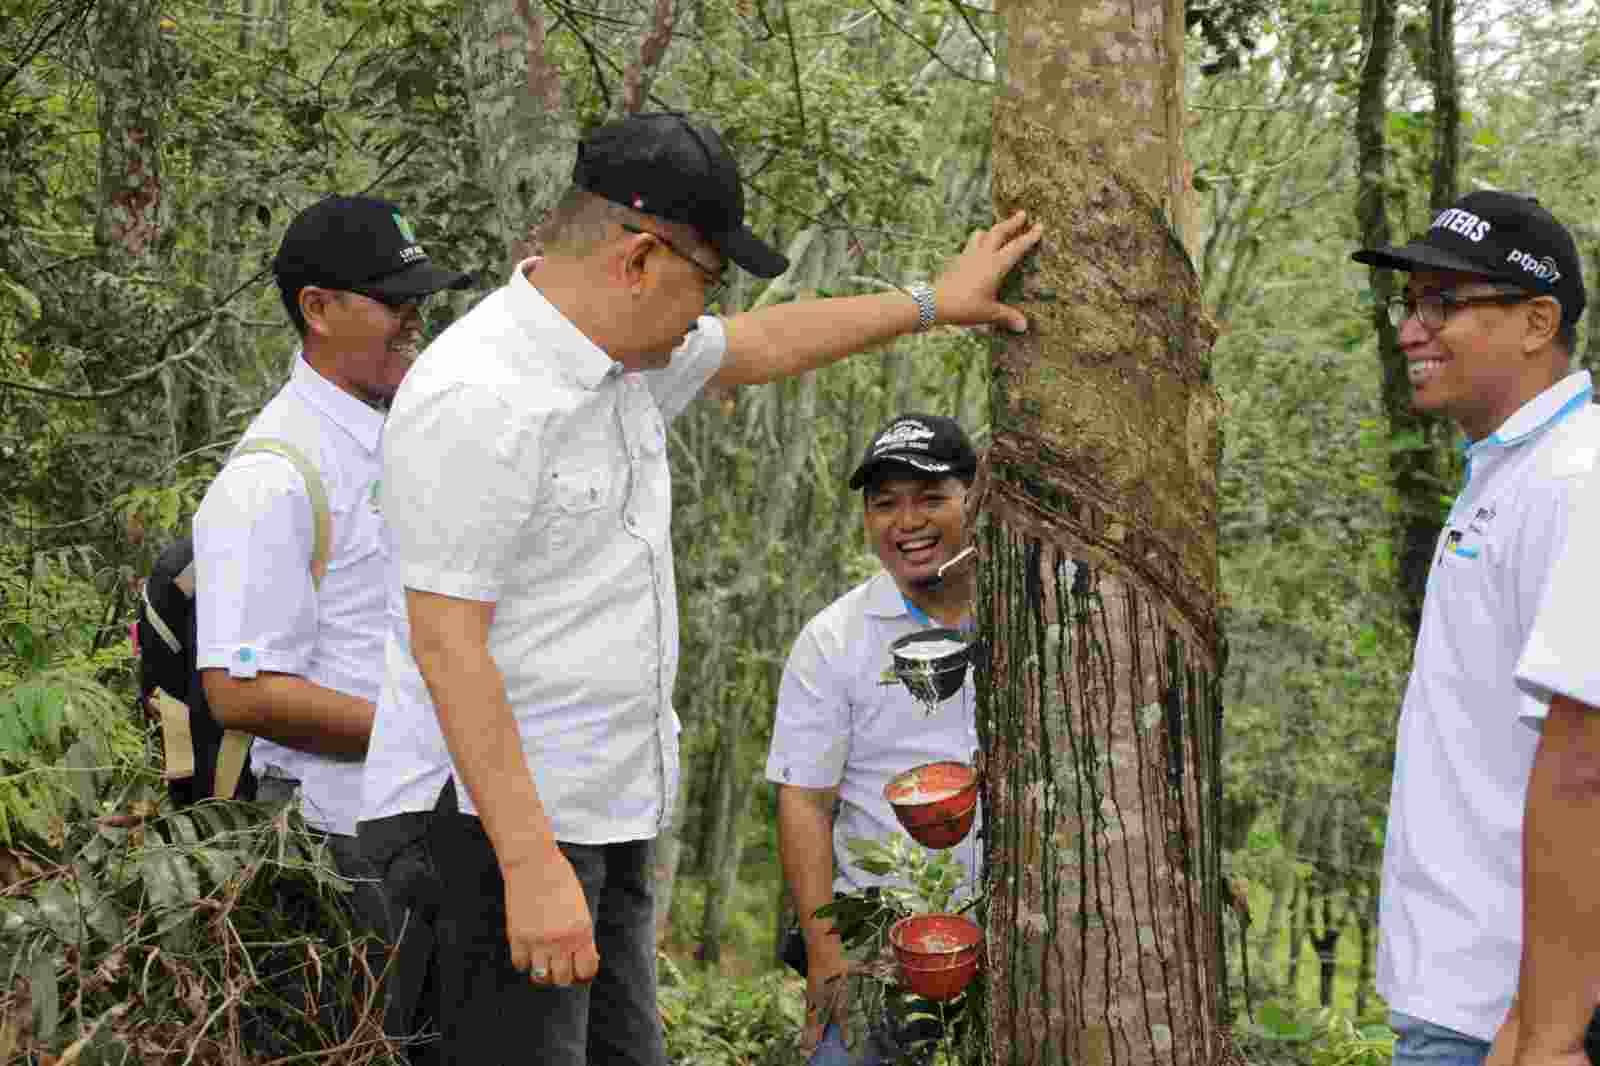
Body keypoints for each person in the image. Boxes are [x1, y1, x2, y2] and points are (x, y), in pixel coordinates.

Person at [356, 110, 1041, 1066]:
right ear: (638, 259)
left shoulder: (621, 364)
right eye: (704, 282)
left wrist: (936, 302)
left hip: (601, 814)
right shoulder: (481, 395)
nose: (704, 314)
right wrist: (529, 864)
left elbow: (760, 344)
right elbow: (447, 642)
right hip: (483, 833)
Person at [192, 193, 469, 1052]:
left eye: (418, 299)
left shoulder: (392, 439)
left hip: (423, 833)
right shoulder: (273, 473)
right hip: (334, 847)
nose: (413, 320)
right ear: (317, 308)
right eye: (394, 301)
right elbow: (240, 691)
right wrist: (422, 732)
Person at [1349, 189, 1594, 1066]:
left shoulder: (1579, 476)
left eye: (1444, 304)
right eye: (1409, 304)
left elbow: (1587, 764)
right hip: (1460, 1005)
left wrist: (1547, 1029)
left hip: (1507, 1024)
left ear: (1537, 321)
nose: (1412, 329)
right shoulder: (1503, 473)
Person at [765, 413, 982, 1065]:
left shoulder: (1028, 612)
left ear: (975, 499)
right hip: (879, 959)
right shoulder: (835, 640)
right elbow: (805, 800)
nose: (907, 522)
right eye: (885, 504)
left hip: (1014, 950)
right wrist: (826, 960)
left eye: (931, 498)